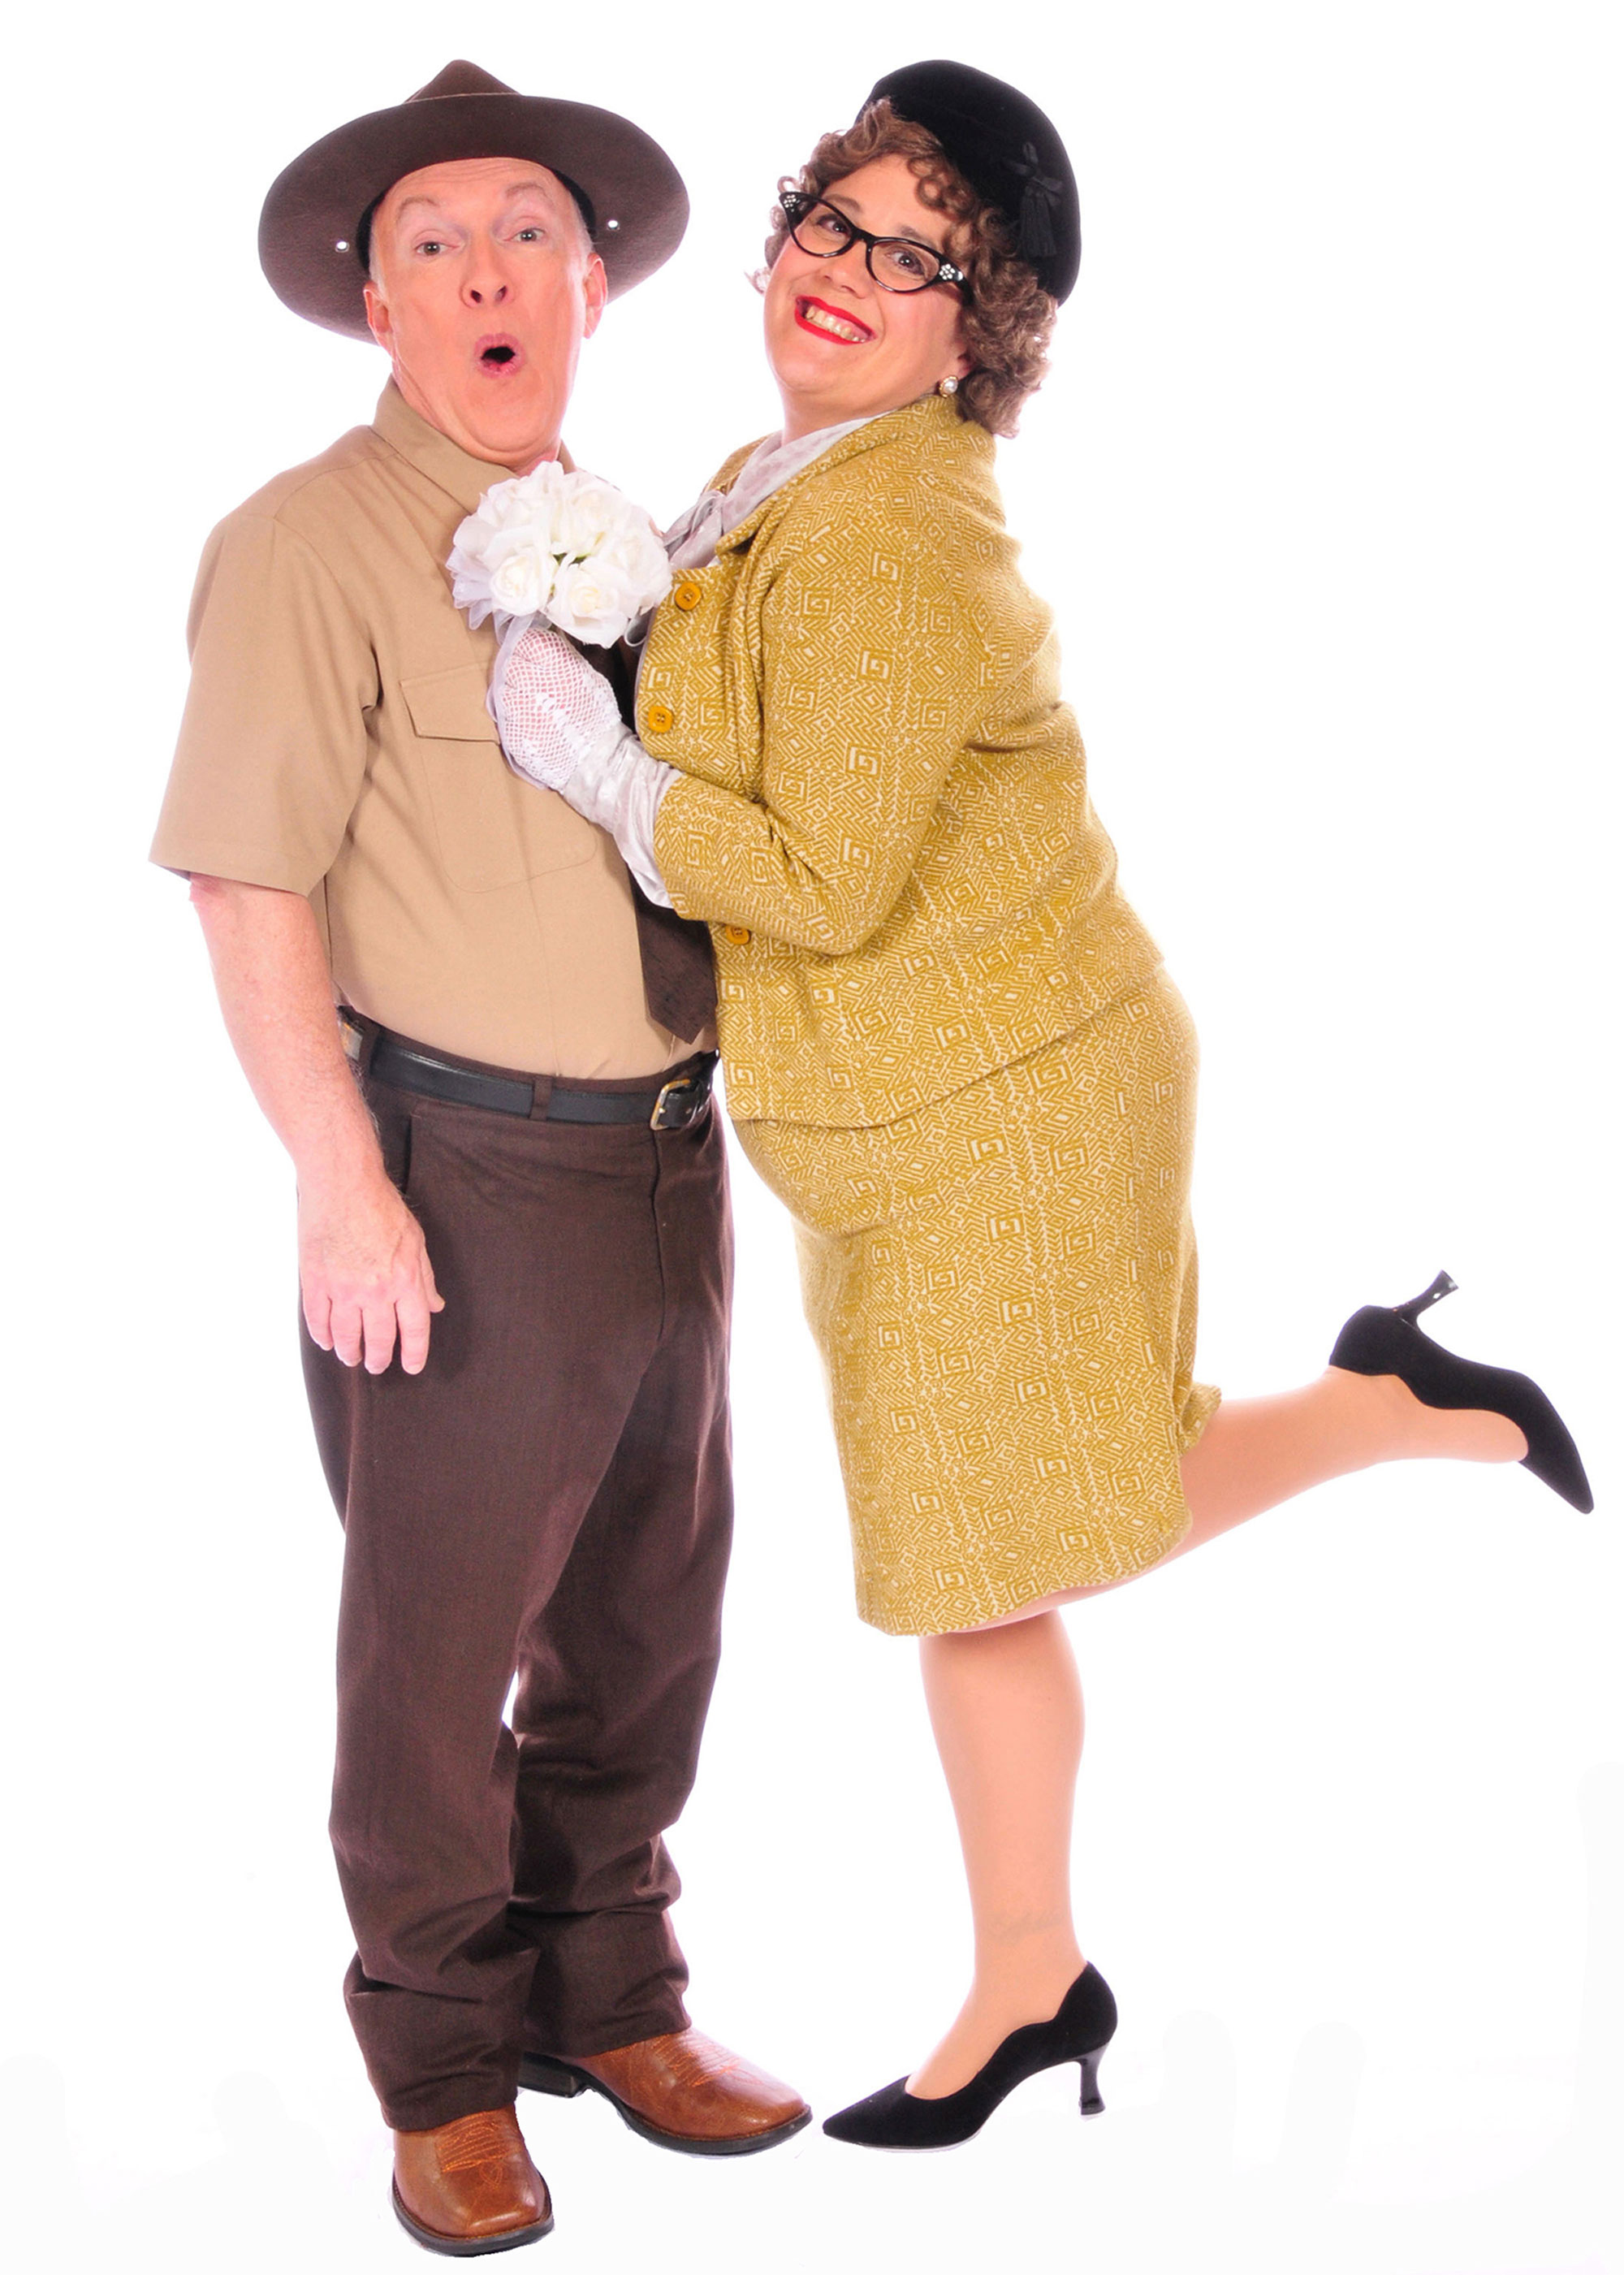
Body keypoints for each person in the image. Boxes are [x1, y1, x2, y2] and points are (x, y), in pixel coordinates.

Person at [481, 54, 1596, 2154]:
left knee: (993, 1551)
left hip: (1000, 1103)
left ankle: (1042, 1949)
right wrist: (605, 640)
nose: (850, 273)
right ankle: (1042, 1953)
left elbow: (816, 873)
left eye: (922, 260)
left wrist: (597, 766)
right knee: (1002, 1545)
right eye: (838, 219)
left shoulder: (892, 529)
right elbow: (771, 725)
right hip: (922, 1102)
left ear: (973, 335)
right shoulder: (791, 466)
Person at [150, 59, 808, 2258]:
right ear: (377, 305)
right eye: (436, 243)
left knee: (653, 1619)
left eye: (529, 229)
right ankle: (441, 2067)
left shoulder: (633, 542)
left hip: (662, 1162)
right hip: (460, 1171)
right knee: (440, 1659)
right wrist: (344, 1179)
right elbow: (250, 889)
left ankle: (608, 1996)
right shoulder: (300, 544)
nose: (489, 270)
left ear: (598, 282)